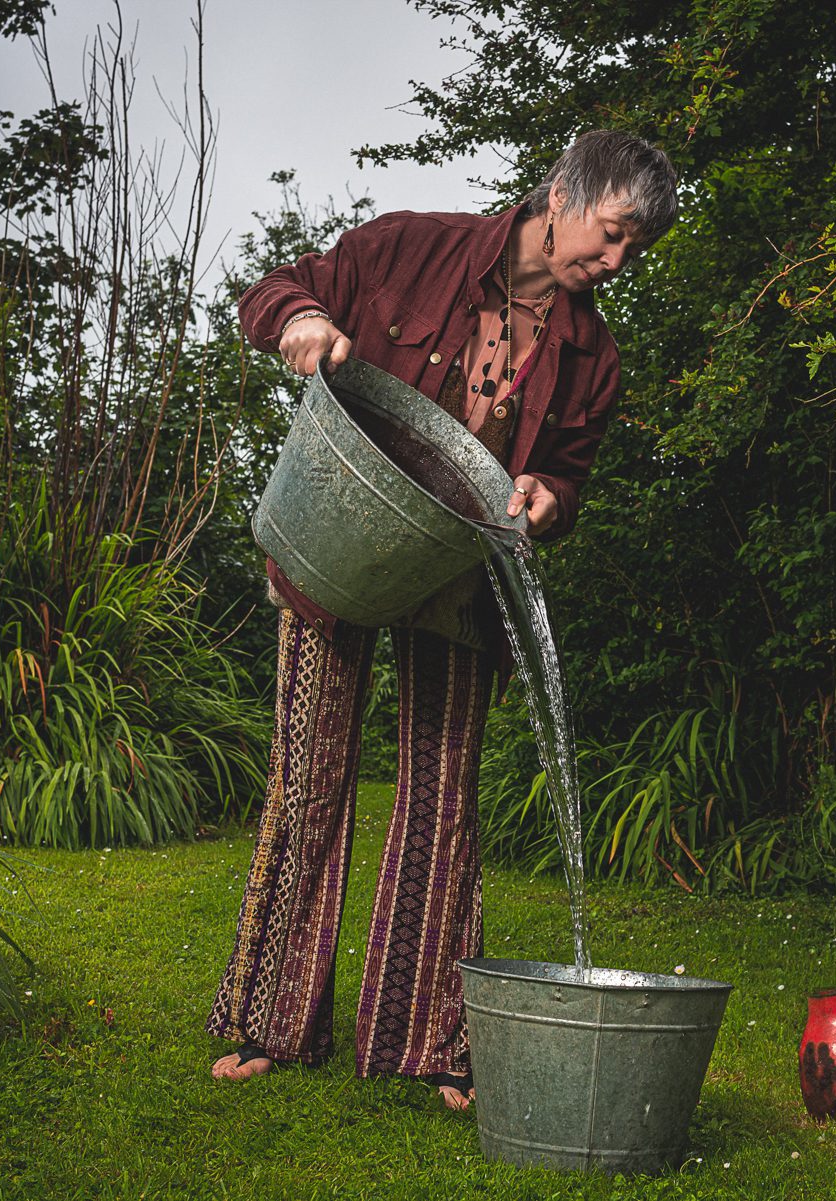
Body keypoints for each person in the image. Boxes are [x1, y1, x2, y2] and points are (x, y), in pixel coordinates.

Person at [207, 131, 678, 1110]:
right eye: (616, 234)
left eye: (639, 249)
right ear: (563, 194)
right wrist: (299, 319)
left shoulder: (595, 356)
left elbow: (568, 473)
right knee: (310, 781)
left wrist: (549, 494)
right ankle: (269, 1022)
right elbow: (276, 290)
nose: (620, 261)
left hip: (464, 577)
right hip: (336, 547)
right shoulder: (410, 247)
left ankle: (432, 1044)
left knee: (444, 800)